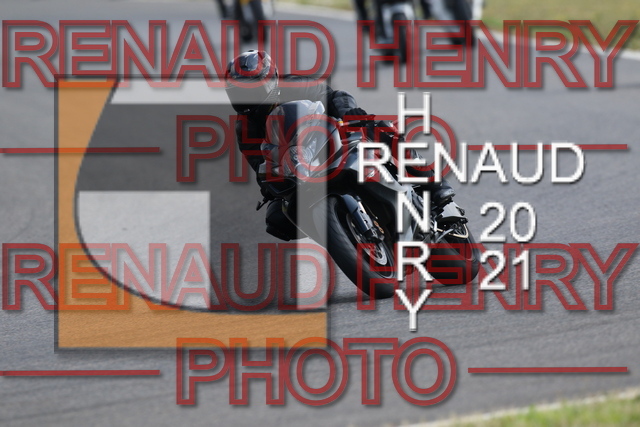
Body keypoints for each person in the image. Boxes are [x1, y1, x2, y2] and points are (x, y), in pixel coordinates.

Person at [224, 50, 455, 240]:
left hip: (330, 138)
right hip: (298, 166)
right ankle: (342, 234)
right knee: (277, 217)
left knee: (380, 128)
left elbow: (334, 95)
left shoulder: (293, 85)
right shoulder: (245, 127)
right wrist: (268, 185)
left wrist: (348, 112)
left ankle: (435, 186)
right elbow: (259, 163)